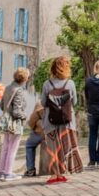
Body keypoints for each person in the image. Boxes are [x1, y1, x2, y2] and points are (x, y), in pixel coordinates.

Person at [40, 56, 83, 184]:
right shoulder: (70, 83)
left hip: (51, 121)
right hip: (67, 121)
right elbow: (74, 102)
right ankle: (65, 171)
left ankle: (55, 174)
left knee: (53, 148)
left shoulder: (47, 84)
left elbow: (43, 103)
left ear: (53, 68)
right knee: (66, 147)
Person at [0, 67, 29, 181]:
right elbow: (16, 111)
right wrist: (24, 116)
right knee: (13, 148)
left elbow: (1, 106)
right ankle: (8, 172)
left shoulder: (8, 87)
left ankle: (1, 171)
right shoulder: (19, 90)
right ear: (24, 79)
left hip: (6, 122)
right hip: (15, 123)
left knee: (5, 146)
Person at [24, 102, 45, 177]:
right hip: (54, 133)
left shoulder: (40, 104)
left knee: (29, 146)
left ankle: (31, 170)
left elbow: (32, 120)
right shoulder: (59, 100)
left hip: (39, 133)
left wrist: (34, 127)